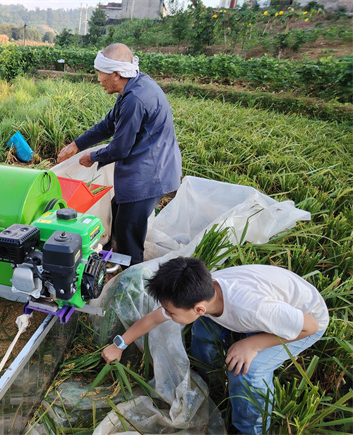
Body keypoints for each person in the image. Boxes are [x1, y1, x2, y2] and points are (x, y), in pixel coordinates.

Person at [102, 257, 329, 434]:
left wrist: (254, 344)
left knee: (246, 370)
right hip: (270, 312)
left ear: (199, 308)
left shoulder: (252, 308)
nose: (168, 315)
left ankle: (252, 429)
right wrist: (120, 344)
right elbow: (153, 318)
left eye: (172, 312)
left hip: (304, 324)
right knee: (203, 328)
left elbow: (310, 325)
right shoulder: (201, 292)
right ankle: (207, 378)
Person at [57, 43, 181, 265]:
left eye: (100, 73)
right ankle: (119, 260)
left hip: (150, 173)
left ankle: (130, 281)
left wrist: (92, 157)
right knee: (118, 210)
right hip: (150, 166)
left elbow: (120, 148)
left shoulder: (135, 98)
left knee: (128, 233)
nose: (98, 79)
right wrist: (76, 144)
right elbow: (109, 125)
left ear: (116, 74)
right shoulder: (133, 86)